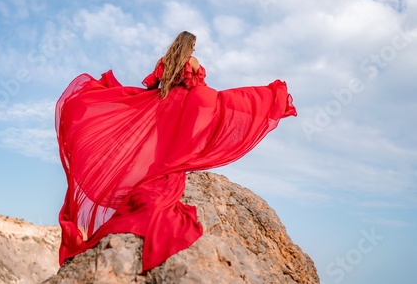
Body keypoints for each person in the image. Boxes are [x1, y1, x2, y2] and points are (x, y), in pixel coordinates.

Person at [55, 30, 297, 272]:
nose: (193, 51)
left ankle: (170, 162)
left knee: (165, 147)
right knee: (228, 107)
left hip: (165, 108)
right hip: (187, 107)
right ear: (190, 46)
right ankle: (271, 99)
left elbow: (154, 85)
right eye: (193, 46)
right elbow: (197, 84)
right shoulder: (192, 62)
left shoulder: (165, 61)